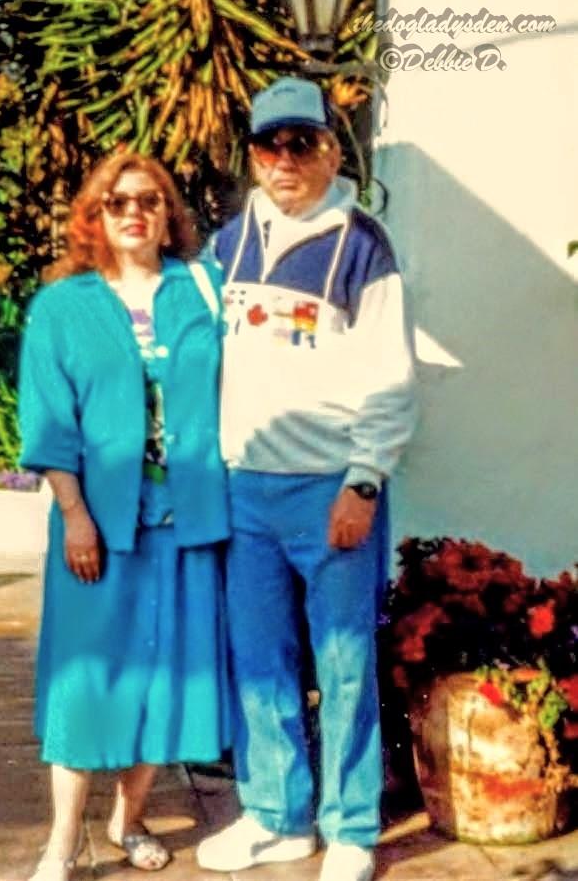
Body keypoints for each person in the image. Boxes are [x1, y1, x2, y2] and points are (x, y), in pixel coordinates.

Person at [196, 77, 417, 881]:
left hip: (330, 491)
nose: (285, 160)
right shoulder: (225, 247)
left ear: (330, 148)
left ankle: (352, 828)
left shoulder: (364, 244)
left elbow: (391, 378)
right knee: (260, 657)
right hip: (245, 486)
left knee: (346, 659)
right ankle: (276, 819)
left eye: (301, 143)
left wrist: (363, 481)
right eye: (269, 145)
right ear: (252, 157)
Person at [18, 153, 230, 881]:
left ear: (169, 212)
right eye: (117, 202)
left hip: (190, 520)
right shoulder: (62, 305)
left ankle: (128, 820)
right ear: (95, 217)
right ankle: (61, 841)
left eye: (149, 199)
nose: (134, 212)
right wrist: (74, 514)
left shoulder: (204, 293)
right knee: (88, 680)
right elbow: (46, 423)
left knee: (162, 676)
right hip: (98, 524)